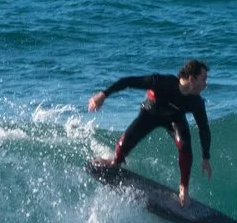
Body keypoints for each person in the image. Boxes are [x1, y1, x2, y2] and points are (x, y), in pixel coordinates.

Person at [87, 59, 212, 203]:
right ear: (192, 79)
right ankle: (115, 161)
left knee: (184, 146)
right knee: (126, 142)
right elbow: (128, 81)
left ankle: (183, 189)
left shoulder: (196, 102)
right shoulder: (162, 82)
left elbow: (204, 128)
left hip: (174, 118)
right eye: (204, 79)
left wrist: (206, 157)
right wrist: (103, 95)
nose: (206, 84)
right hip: (150, 113)